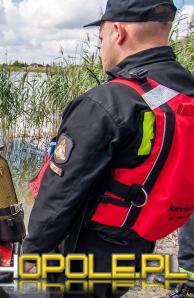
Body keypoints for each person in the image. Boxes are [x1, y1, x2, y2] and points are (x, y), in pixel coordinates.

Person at [24, 0, 194, 297]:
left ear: (118, 32)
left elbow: (58, 199)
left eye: (100, 39)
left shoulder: (108, 103)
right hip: (139, 245)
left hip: (87, 255)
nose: (100, 48)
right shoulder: (185, 94)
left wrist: (29, 259)